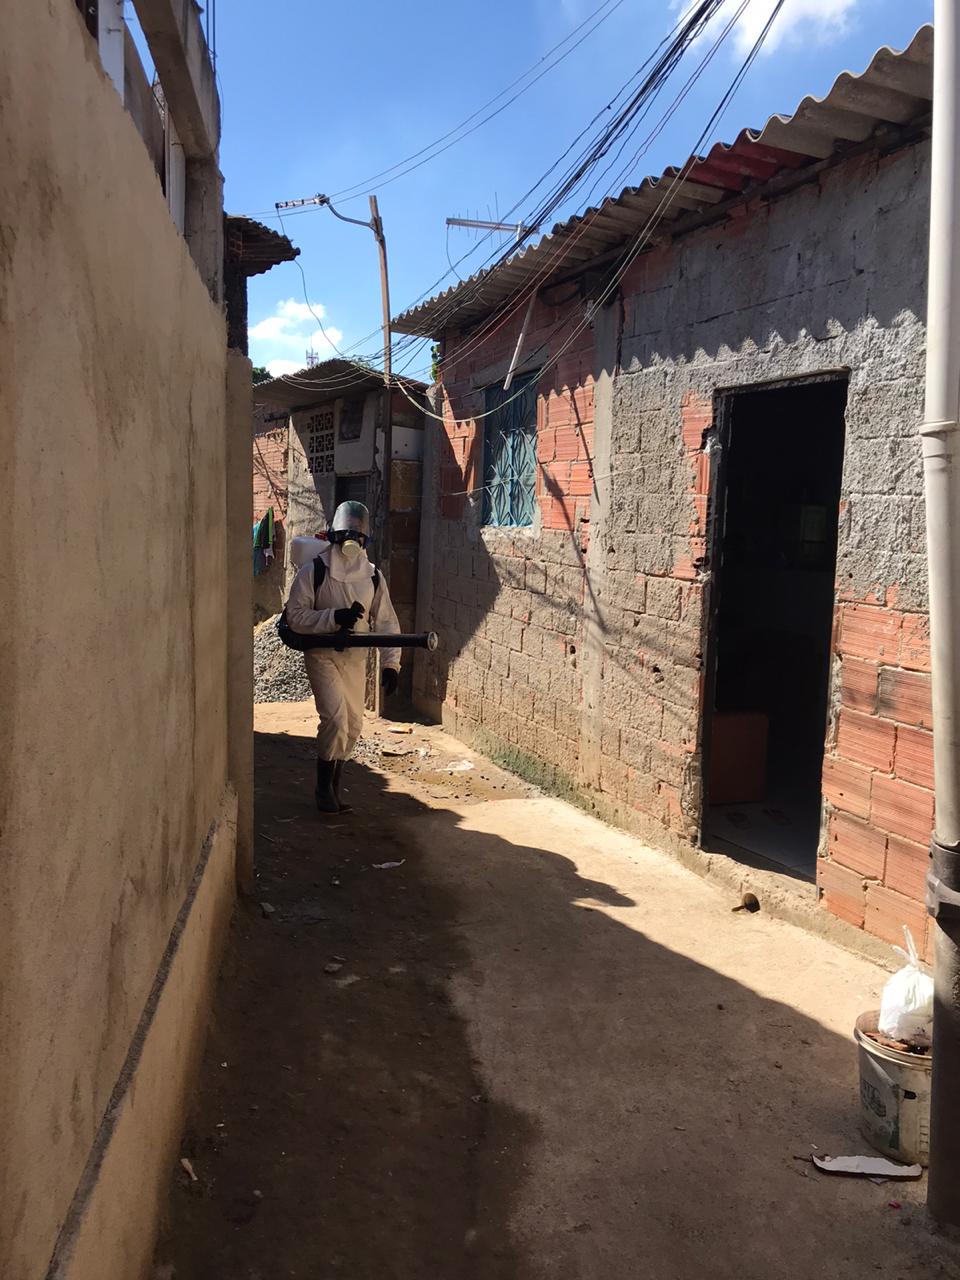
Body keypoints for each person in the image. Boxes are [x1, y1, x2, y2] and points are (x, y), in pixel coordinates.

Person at [284, 501, 400, 813]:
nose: (353, 536)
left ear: (366, 537)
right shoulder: (315, 571)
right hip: (322, 655)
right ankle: (323, 789)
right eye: (348, 530)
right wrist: (334, 617)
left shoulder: (373, 577)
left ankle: (335, 784)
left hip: (355, 659)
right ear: (335, 533)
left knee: (353, 725)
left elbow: (386, 621)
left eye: (358, 531)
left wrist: (391, 663)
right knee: (335, 720)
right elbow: (295, 616)